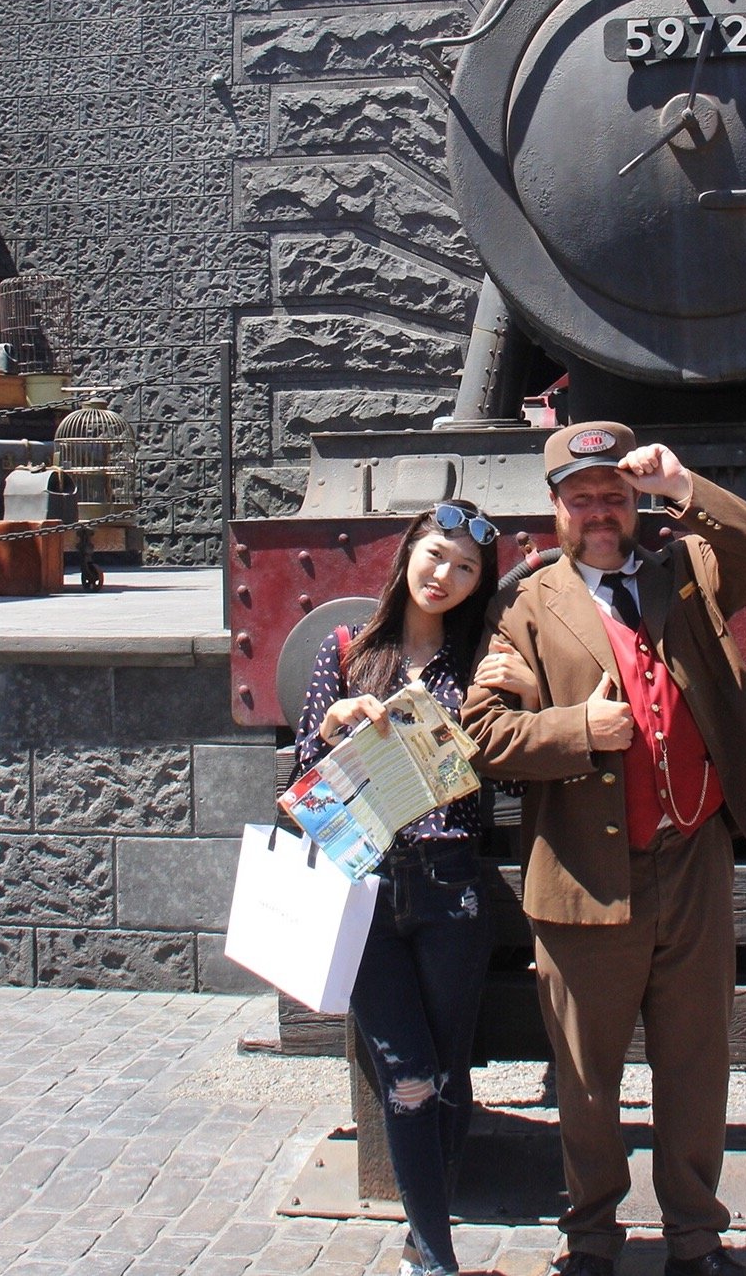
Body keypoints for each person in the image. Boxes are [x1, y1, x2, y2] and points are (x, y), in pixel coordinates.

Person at [463, 424, 746, 1276]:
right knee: (586, 1076)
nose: (600, 513)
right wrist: (577, 729)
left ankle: (695, 1239)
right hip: (582, 872)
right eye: (582, 499)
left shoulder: (685, 571)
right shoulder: (522, 605)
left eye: (614, 498)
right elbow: (482, 735)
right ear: (556, 508)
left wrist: (682, 485)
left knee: (696, 1061)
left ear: (634, 504)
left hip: (691, 859)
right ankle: (590, 1239)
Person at [296, 500, 539, 1276]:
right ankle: (437, 1259)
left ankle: (419, 1244)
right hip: (365, 886)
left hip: (450, 885)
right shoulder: (345, 649)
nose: (445, 575)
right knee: (405, 1076)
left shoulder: (478, 662)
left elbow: (510, 768)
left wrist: (527, 693)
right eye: (436, 555)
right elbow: (304, 783)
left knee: (446, 1071)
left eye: (466, 568)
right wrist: (333, 724)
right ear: (408, 552)